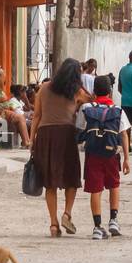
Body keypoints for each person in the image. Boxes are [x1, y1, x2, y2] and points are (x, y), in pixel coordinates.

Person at [31, 58, 86, 238]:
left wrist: (32, 141)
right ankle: (67, 214)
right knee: (72, 177)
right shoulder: (76, 91)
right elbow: (92, 99)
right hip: (67, 135)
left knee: (50, 182)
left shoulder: (44, 88)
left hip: (46, 136)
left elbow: (37, 116)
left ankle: (54, 224)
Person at [76, 75, 130, 239]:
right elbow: (124, 135)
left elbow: (79, 128)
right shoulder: (118, 110)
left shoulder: (86, 108)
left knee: (95, 189)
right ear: (110, 91)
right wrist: (127, 158)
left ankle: (97, 227)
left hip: (93, 154)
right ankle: (113, 220)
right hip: (111, 154)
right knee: (114, 185)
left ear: (94, 91)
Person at [0, 67, 32, 148]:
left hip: (6, 111)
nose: (5, 76)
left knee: (21, 117)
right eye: (3, 74)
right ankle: (26, 142)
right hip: (2, 112)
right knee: (20, 118)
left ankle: (26, 141)